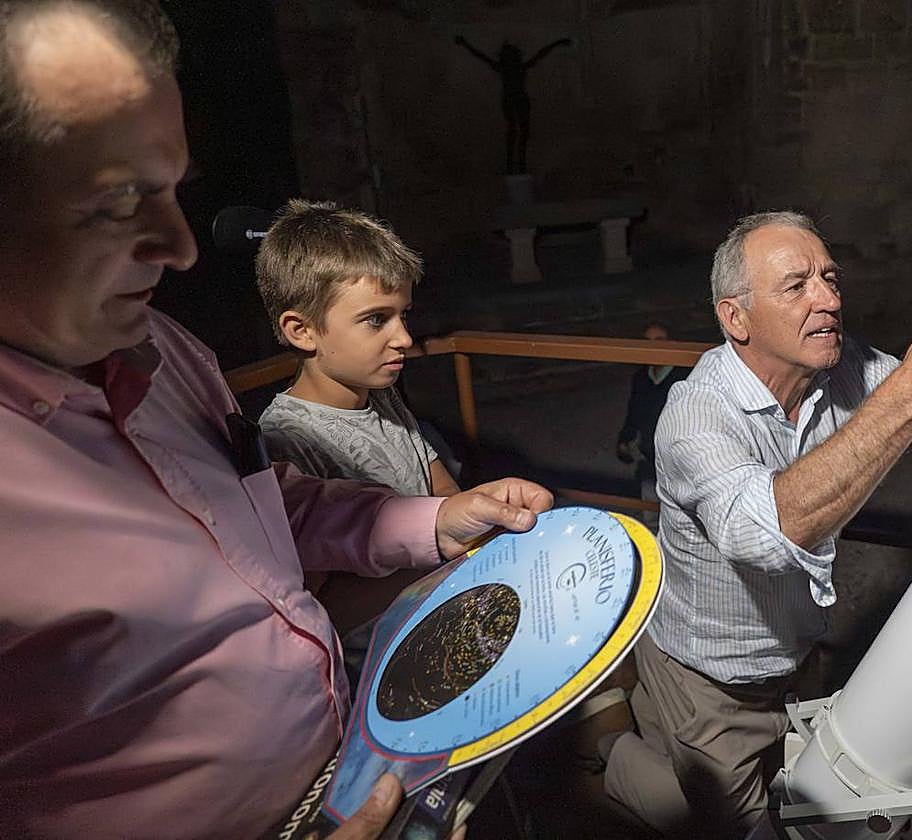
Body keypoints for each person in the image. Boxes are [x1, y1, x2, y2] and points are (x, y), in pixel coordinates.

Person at [0, 3, 551, 838]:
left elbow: (257, 510)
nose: (182, 246)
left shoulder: (166, 351)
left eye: (174, 189)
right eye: (119, 201)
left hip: (352, 766)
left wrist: (438, 518)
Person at [601, 211, 912, 837]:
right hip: (707, 680)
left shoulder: (848, 368)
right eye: (796, 285)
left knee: (796, 796)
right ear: (736, 317)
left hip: (796, 661)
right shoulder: (695, 413)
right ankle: (613, 748)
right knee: (728, 827)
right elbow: (767, 533)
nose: (829, 299)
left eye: (830, 278)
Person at [255, 198, 459, 498]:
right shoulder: (285, 440)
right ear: (302, 331)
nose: (404, 339)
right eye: (376, 319)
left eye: (403, 314)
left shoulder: (379, 391)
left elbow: (439, 486)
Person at [453, 34, 571, 174]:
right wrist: (557, 42)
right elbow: (541, 54)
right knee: (517, 131)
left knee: (517, 130)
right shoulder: (518, 68)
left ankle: (516, 163)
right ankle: (516, 163)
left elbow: (481, 56)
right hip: (516, 99)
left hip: (514, 99)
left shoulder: (510, 68)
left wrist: (557, 42)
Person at [616, 322, 687, 527]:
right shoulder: (642, 377)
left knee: (681, 519)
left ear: (672, 343)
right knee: (651, 517)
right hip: (649, 458)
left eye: (659, 341)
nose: (652, 347)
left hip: (680, 460)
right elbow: (634, 410)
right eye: (647, 342)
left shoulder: (686, 377)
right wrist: (625, 437)